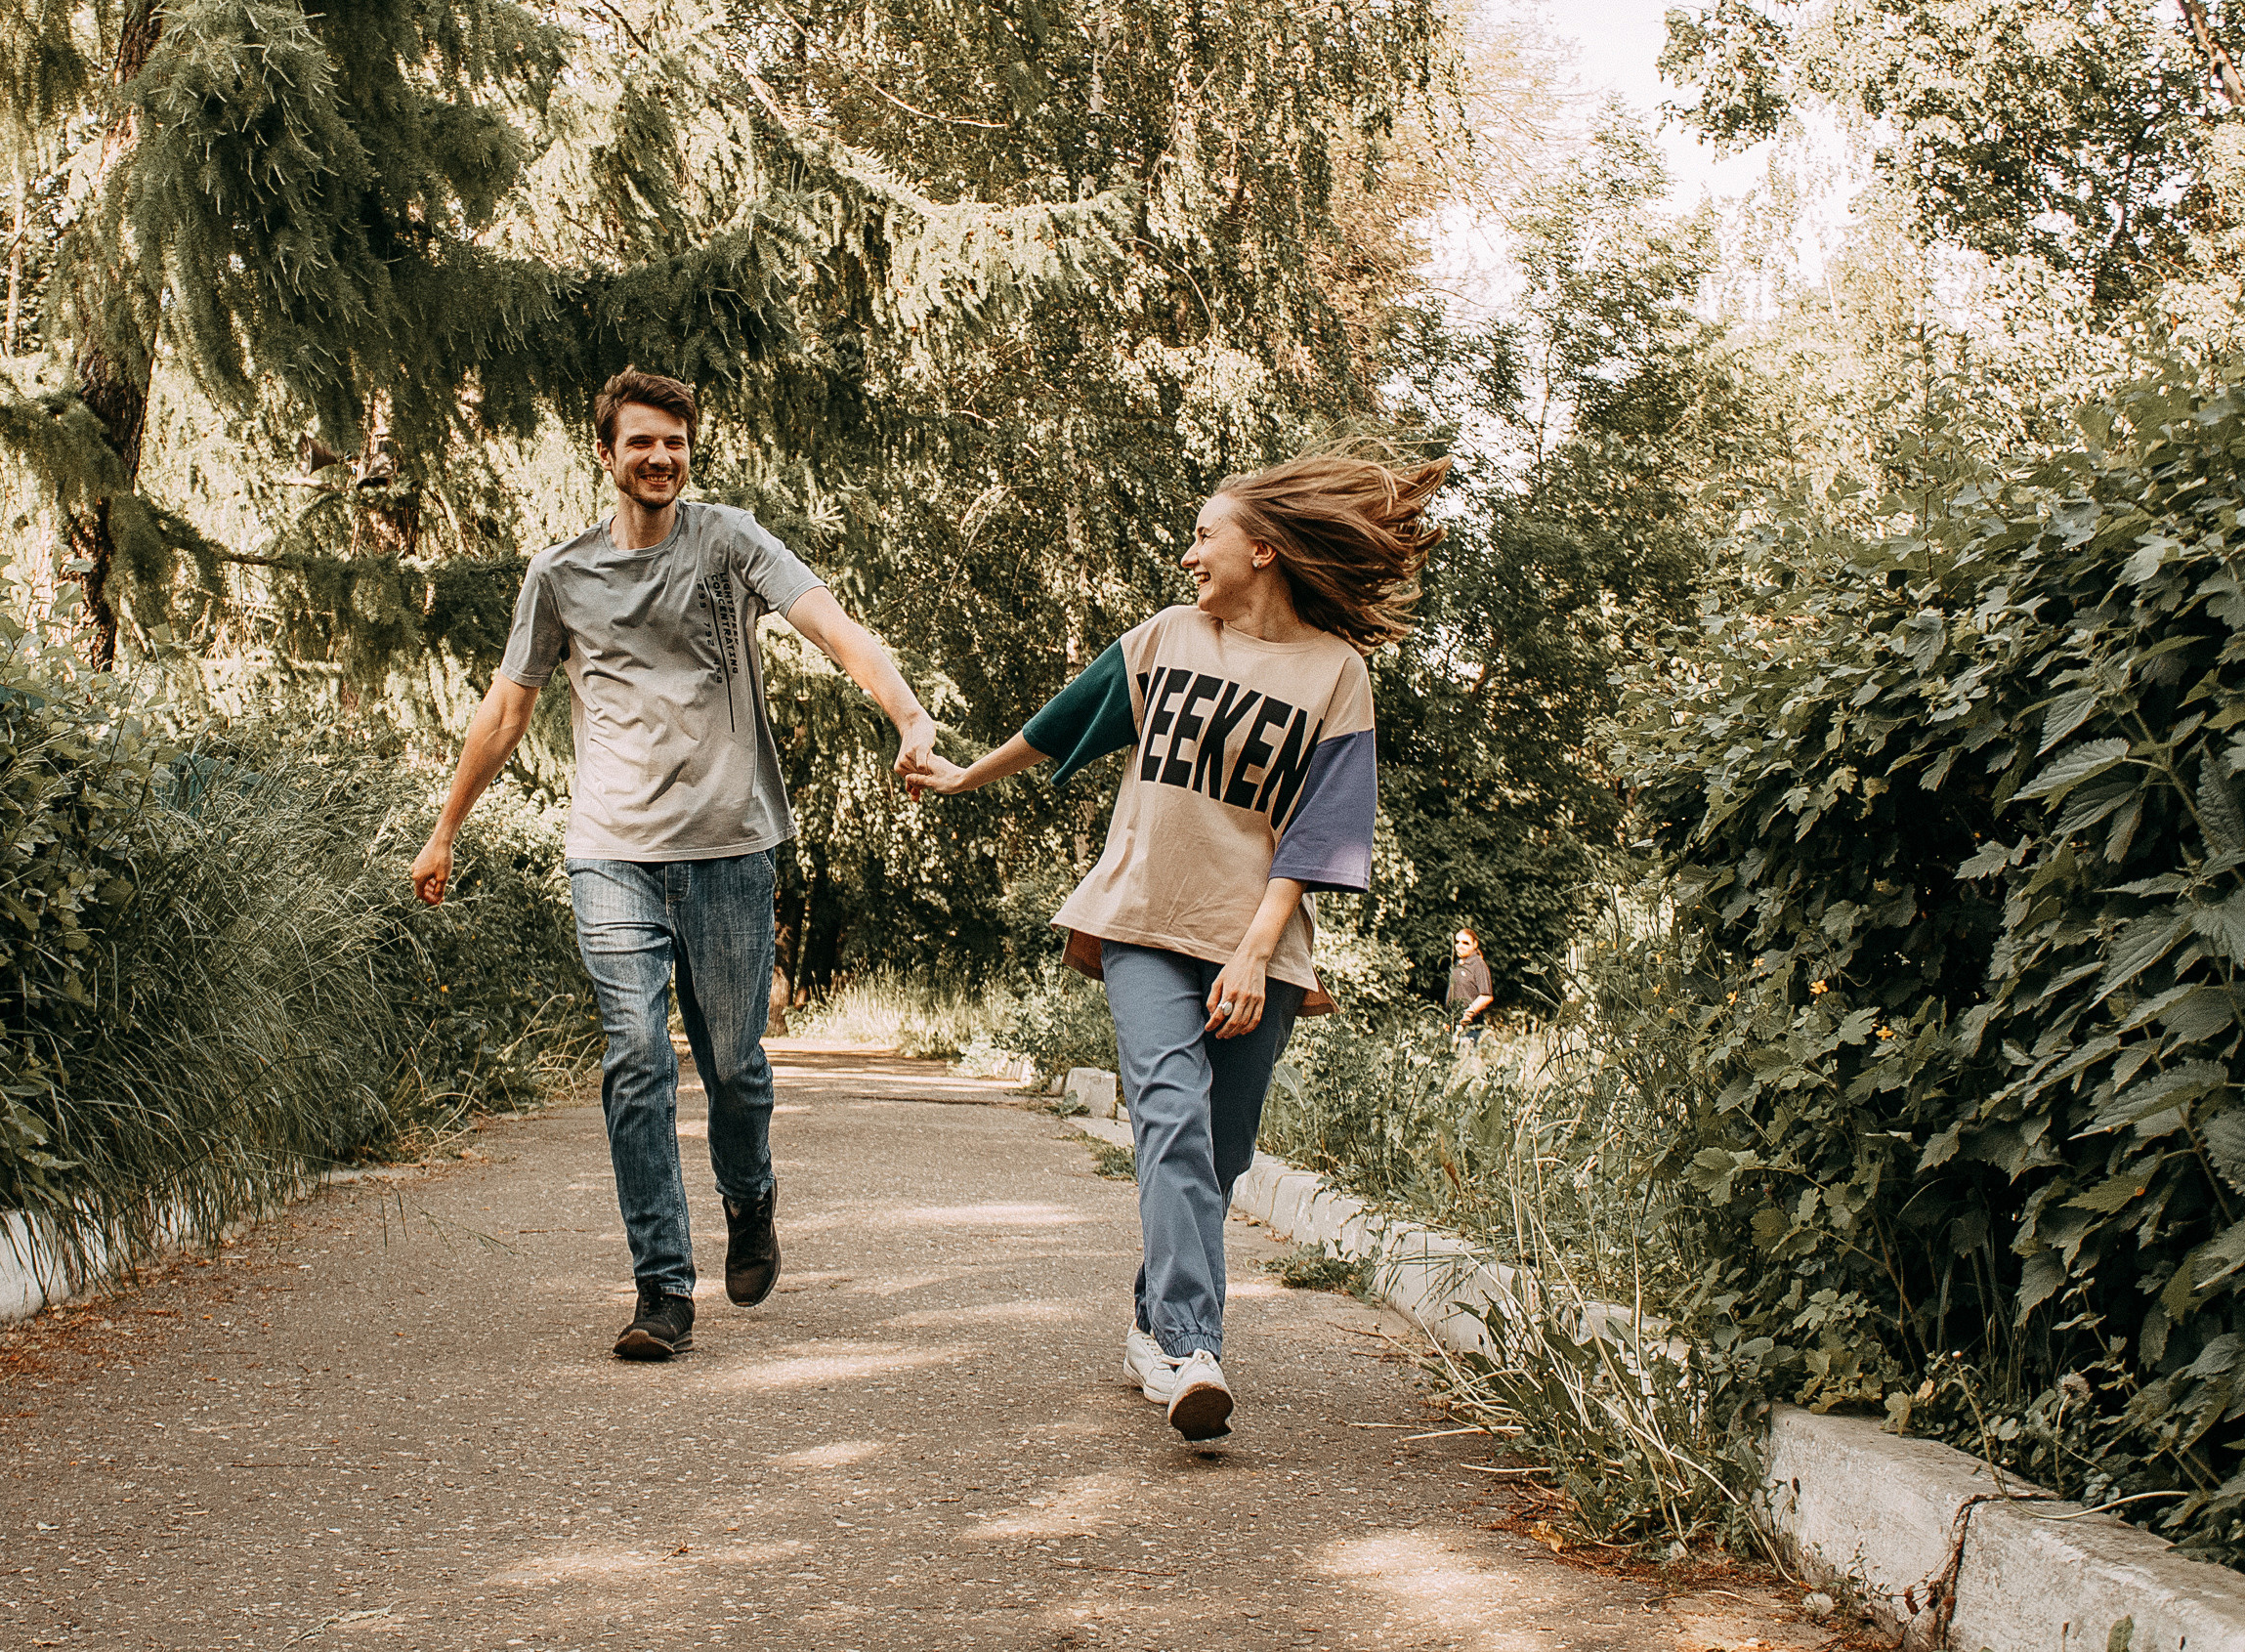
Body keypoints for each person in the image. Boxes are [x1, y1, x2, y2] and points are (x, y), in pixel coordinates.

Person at [906, 449, 1448, 1442]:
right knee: (1169, 1121)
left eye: (1205, 535)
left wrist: (1253, 951)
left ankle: (1154, 1322)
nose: (1189, 553)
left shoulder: (1336, 675)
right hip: (1142, 919)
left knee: (1222, 1151)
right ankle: (1191, 1346)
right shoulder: (1164, 640)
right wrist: (960, 780)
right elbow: (1057, 726)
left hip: (1256, 941)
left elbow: (1322, 829)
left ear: (1263, 549)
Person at [410, 368, 939, 1361]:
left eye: (675, 443)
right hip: (609, 854)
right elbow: (507, 712)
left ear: (688, 452)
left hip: (729, 849)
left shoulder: (728, 541)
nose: (660, 458)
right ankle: (661, 1288)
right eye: (641, 443)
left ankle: (750, 1197)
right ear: (605, 454)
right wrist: (445, 829)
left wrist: (906, 715)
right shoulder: (558, 577)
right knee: (637, 1062)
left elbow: (831, 628)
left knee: (734, 1068)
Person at [1446, 927, 1494, 1049]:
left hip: (1471, 1025)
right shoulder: (1457, 965)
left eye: (1465, 943)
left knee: (1467, 1061)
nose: (1460, 946)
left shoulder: (1478, 964)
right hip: (1454, 1024)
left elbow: (1486, 996)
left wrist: (1468, 1013)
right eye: (1457, 942)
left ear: (1475, 944)